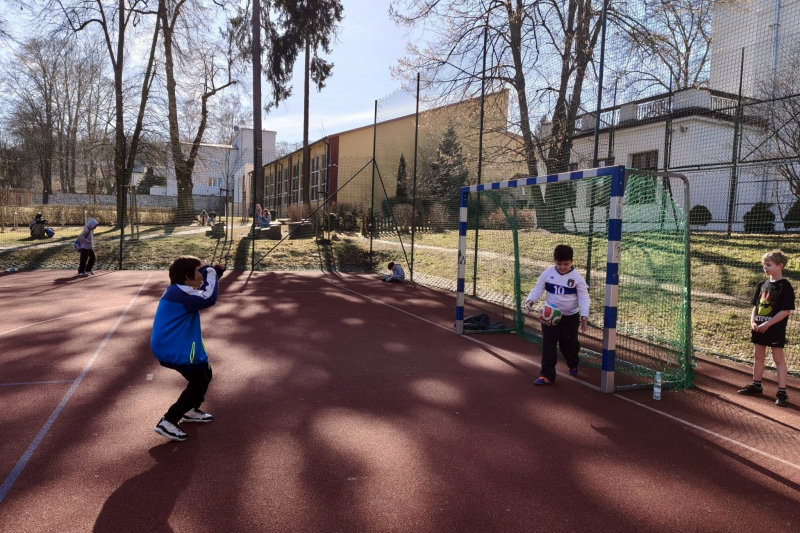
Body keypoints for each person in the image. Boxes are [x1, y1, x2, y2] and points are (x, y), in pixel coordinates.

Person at [151, 256, 226, 442]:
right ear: (187, 275)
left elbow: (202, 292)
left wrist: (215, 276)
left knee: (205, 373)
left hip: (175, 342)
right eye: (199, 269)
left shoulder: (179, 291)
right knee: (199, 381)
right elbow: (208, 297)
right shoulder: (181, 296)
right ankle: (169, 421)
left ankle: (190, 409)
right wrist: (210, 273)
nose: (202, 272)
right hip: (173, 346)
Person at [524, 244, 590, 385]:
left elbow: (584, 298)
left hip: (570, 317)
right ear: (554, 261)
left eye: (566, 264)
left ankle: (572, 363)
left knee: (569, 345)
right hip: (549, 316)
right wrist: (530, 301)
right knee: (548, 344)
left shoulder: (577, 278)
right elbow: (538, 288)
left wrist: (584, 316)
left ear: (572, 262)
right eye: (559, 264)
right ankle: (546, 375)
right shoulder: (547, 273)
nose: (562, 267)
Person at [738, 250, 795, 406]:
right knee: (758, 356)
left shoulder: (785, 286)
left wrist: (768, 324)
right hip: (759, 328)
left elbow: (786, 311)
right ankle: (756, 385)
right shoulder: (762, 284)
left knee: (778, 359)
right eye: (764, 265)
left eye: (769, 265)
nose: (765, 268)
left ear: (780, 266)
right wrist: (753, 322)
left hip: (775, 329)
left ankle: (782, 393)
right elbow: (755, 306)